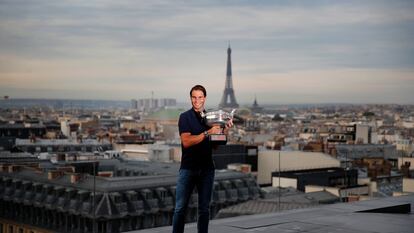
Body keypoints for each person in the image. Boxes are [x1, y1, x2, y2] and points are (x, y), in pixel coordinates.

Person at [172, 84, 232, 233]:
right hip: (188, 168)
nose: (197, 100)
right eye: (194, 97)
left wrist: (225, 129)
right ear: (191, 99)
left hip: (207, 169)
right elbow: (186, 142)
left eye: (200, 97)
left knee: (204, 209)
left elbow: (217, 145)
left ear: (204, 98)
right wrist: (207, 132)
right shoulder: (185, 117)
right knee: (180, 208)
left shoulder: (211, 118)